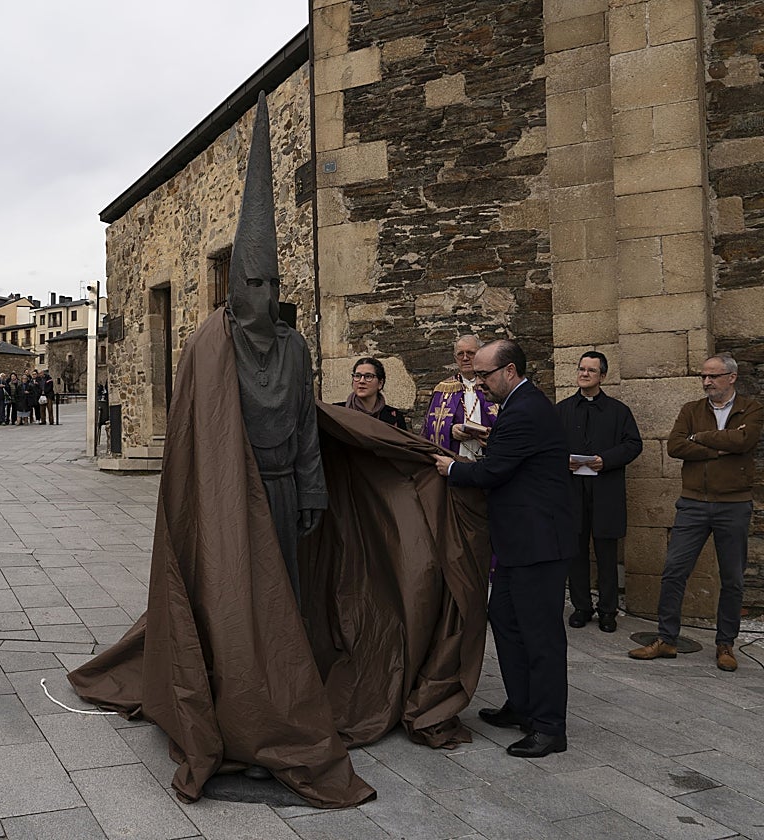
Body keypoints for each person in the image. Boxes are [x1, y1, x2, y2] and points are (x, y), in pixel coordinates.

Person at [69, 92, 371, 807]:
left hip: (284, 487)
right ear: (236, 285)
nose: (265, 294)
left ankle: (280, 698)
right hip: (228, 495)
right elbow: (196, 431)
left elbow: (301, 424)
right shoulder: (210, 342)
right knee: (232, 603)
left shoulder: (296, 348)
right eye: (253, 282)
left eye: (272, 283)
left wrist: (314, 491)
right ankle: (231, 700)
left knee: (283, 602)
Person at [433, 339, 573, 758]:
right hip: (518, 542)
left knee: (541, 635)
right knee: (506, 618)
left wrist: (452, 468)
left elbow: (494, 471)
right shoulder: (521, 406)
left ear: (509, 371)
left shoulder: (526, 410)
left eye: (484, 375)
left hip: (539, 544)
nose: (480, 382)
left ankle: (549, 727)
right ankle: (523, 705)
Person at [629, 354, 763, 672]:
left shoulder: (751, 408)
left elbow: (745, 441)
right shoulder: (691, 409)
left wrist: (700, 438)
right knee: (674, 570)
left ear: (731, 377)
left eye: (713, 376)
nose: (706, 382)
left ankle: (725, 644)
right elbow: (675, 446)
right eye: (703, 376)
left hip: (734, 504)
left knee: (732, 578)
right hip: (693, 503)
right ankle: (666, 639)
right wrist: (720, 447)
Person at [556, 351, 642, 633]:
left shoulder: (619, 411)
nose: (584, 374)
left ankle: (608, 610)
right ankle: (581, 607)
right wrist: (562, 460)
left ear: (602, 376)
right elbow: (549, 444)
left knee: (606, 554)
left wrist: (607, 460)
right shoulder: (562, 409)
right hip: (572, 490)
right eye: (581, 369)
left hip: (605, 490)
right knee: (576, 552)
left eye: (591, 370)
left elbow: (633, 444)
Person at [421, 335, 496, 460]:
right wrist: (450, 431)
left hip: (491, 457)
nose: (465, 358)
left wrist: (494, 435)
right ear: (455, 358)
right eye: (460, 354)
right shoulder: (443, 389)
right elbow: (428, 428)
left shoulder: (494, 384)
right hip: (456, 457)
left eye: (471, 353)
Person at [342, 356, 407, 430]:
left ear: (380, 383)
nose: (361, 381)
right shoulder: (338, 412)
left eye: (368, 376)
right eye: (357, 376)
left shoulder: (395, 416)